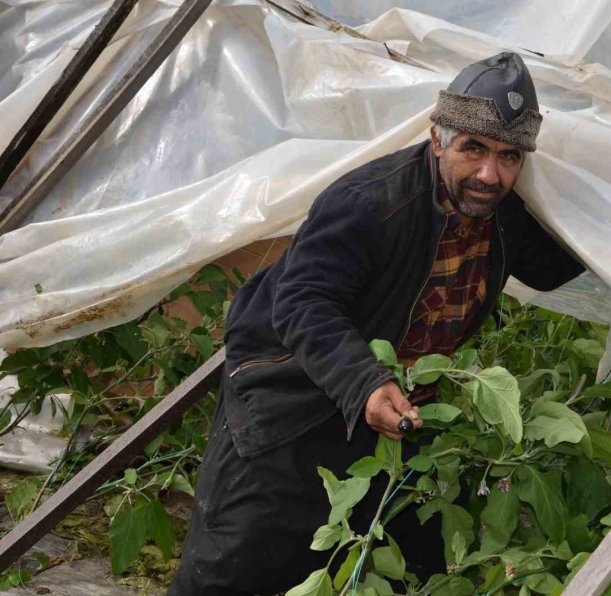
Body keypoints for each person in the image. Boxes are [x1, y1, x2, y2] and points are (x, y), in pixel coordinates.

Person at [169, 52, 584, 595]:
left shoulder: (500, 214)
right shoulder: (371, 202)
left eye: (509, 157)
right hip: (291, 403)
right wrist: (364, 380)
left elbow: (552, 267)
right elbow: (301, 300)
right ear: (438, 140)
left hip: (396, 410)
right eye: (473, 149)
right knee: (237, 566)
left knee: (410, 561)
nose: (490, 173)